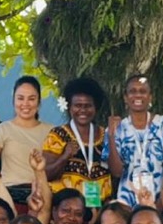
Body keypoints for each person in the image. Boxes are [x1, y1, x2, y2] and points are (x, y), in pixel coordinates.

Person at [0, 75, 53, 209]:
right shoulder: (3, 129)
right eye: (20, 98)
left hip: (42, 196)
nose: (25, 104)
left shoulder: (51, 131)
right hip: (10, 196)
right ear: (13, 101)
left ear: (39, 102)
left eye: (31, 99)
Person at [108, 73, 163, 206]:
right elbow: (116, 172)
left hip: (161, 199)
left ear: (150, 97)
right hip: (127, 202)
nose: (137, 95)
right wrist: (112, 136)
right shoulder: (117, 129)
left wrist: (161, 203)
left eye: (143, 91)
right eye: (132, 91)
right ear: (125, 98)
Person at [43, 77, 112, 211]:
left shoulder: (106, 136)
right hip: (67, 213)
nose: (82, 110)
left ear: (96, 107)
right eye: (77, 105)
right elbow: (46, 174)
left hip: (100, 212)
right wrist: (64, 157)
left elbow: (115, 172)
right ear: (69, 107)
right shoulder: (58, 135)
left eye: (88, 106)